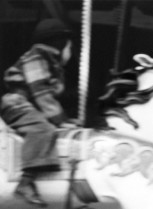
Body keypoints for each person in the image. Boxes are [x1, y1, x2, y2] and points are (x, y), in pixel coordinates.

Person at [0, 18, 80, 206]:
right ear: (60, 44)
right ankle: (25, 181)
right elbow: (41, 93)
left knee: (63, 128)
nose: (70, 50)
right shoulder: (37, 57)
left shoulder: (50, 63)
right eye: (69, 46)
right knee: (42, 129)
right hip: (16, 104)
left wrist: (65, 120)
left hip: (29, 105)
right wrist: (60, 121)